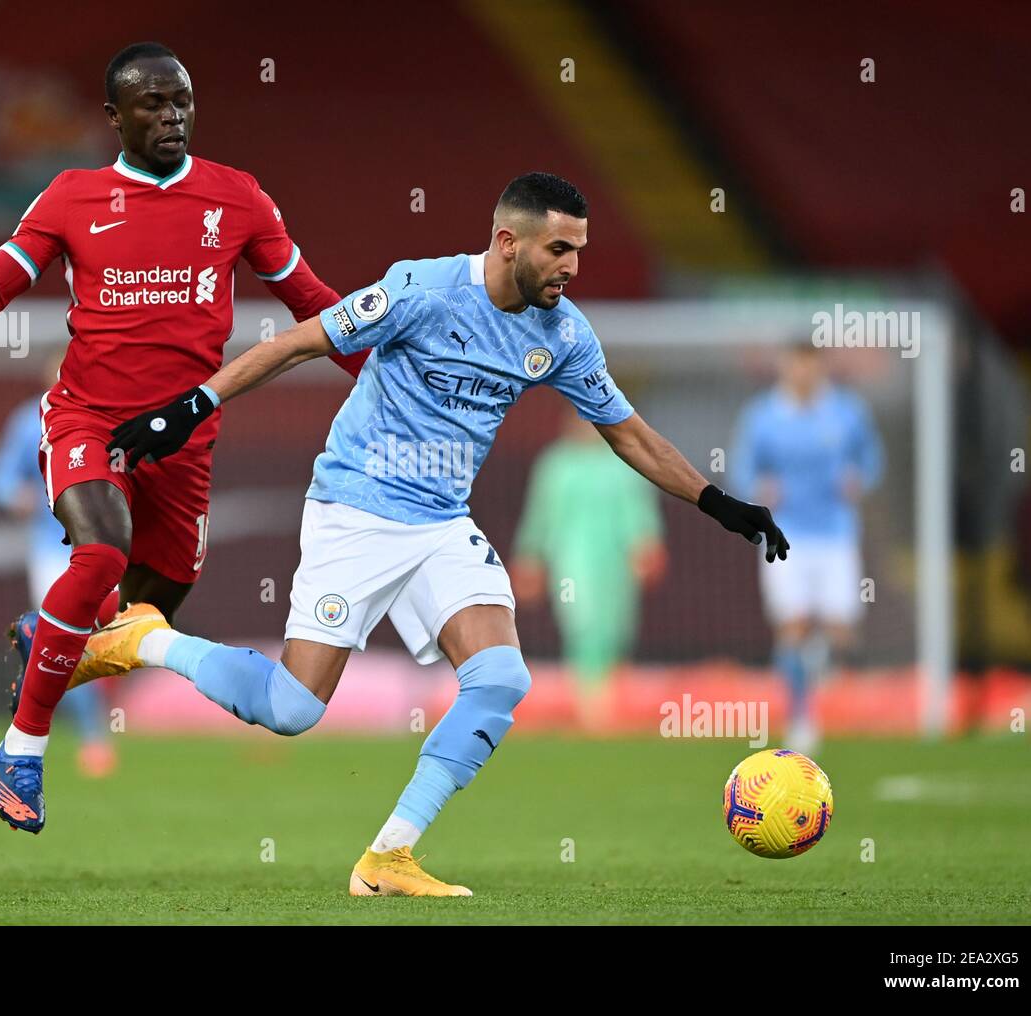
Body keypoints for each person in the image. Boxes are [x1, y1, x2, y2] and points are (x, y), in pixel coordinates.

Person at [74, 172, 787, 895]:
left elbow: (629, 435)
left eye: (580, 249)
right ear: (509, 243)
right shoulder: (421, 290)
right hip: (356, 509)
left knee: (501, 679)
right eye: (559, 248)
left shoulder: (564, 333)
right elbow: (300, 343)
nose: (572, 265)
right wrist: (193, 405)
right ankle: (144, 639)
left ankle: (388, 859)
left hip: (441, 524)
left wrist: (718, 502)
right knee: (290, 710)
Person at [0, 41, 367, 833]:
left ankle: (49, 640)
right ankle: (23, 751)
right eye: (154, 104)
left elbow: (314, 303)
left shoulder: (238, 200)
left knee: (144, 619)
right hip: (87, 421)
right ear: (114, 117)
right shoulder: (71, 196)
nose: (172, 116)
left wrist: (386, 377)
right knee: (98, 554)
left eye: (183, 103)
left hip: (183, 443)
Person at [730, 342, 883, 753]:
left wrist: (859, 478)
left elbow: (871, 459)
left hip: (836, 534)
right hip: (784, 536)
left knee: (841, 630)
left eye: (810, 365)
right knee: (793, 625)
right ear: (785, 367)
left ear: (820, 368)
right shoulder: (763, 416)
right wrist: (757, 489)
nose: (803, 373)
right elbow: (743, 467)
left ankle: (815, 669)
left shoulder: (846, 411)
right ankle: (800, 718)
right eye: (796, 365)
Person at [0, 355, 116, 777]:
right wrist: (15, 496)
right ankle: (92, 737)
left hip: (106, 547)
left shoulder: (111, 418)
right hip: (52, 550)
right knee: (65, 642)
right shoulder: (28, 421)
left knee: (107, 637)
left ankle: (83, 722)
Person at [511, 410, 666, 728]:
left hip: (616, 563)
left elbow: (638, 512)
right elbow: (540, 515)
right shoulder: (556, 464)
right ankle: (592, 708)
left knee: (615, 628)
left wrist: (646, 545)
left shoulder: (623, 462)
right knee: (583, 624)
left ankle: (607, 701)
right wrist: (530, 556)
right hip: (570, 560)